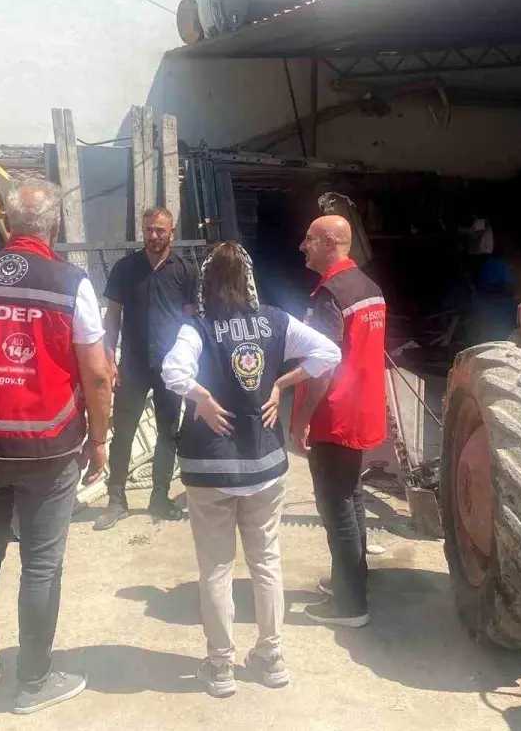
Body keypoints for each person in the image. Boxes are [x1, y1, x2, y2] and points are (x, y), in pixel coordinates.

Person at [0, 180, 112, 715]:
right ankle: (32, 681)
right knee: (41, 563)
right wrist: (98, 439)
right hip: (47, 449)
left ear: (9, 225)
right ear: (53, 227)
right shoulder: (70, 283)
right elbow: (96, 374)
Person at [161, 243, 340, 697]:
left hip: (210, 467)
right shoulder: (277, 321)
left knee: (216, 569)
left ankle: (220, 667)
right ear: (249, 279)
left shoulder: (199, 327)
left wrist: (201, 398)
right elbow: (328, 353)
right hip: (264, 464)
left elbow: (172, 372)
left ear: (207, 281)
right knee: (266, 562)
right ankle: (271, 656)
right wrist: (281, 383)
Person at [293, 215, 387, 628]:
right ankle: (352, 583)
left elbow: (323, 364)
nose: (303, 245)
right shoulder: (369, 289)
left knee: (336, 509)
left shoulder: (331, 294)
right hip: (362, 410)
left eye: (310, 239)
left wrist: (302, 420)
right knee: (353, 499)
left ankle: (350, 606)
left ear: (330, 242)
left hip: (335, 414)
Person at [94, 206, 197, 530]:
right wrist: (109, 358)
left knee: (168, 433)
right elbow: (112, 315)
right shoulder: (126, 268)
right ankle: (116, 500)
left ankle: (160, 498)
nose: (154, 236)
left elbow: (191, 319)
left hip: (170, 366)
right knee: (123, 433)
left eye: (160, 231)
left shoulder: (186, 271)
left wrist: (190, 362)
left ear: (172, 232)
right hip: (134, 366)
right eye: (149, 230)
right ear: (143, 230)